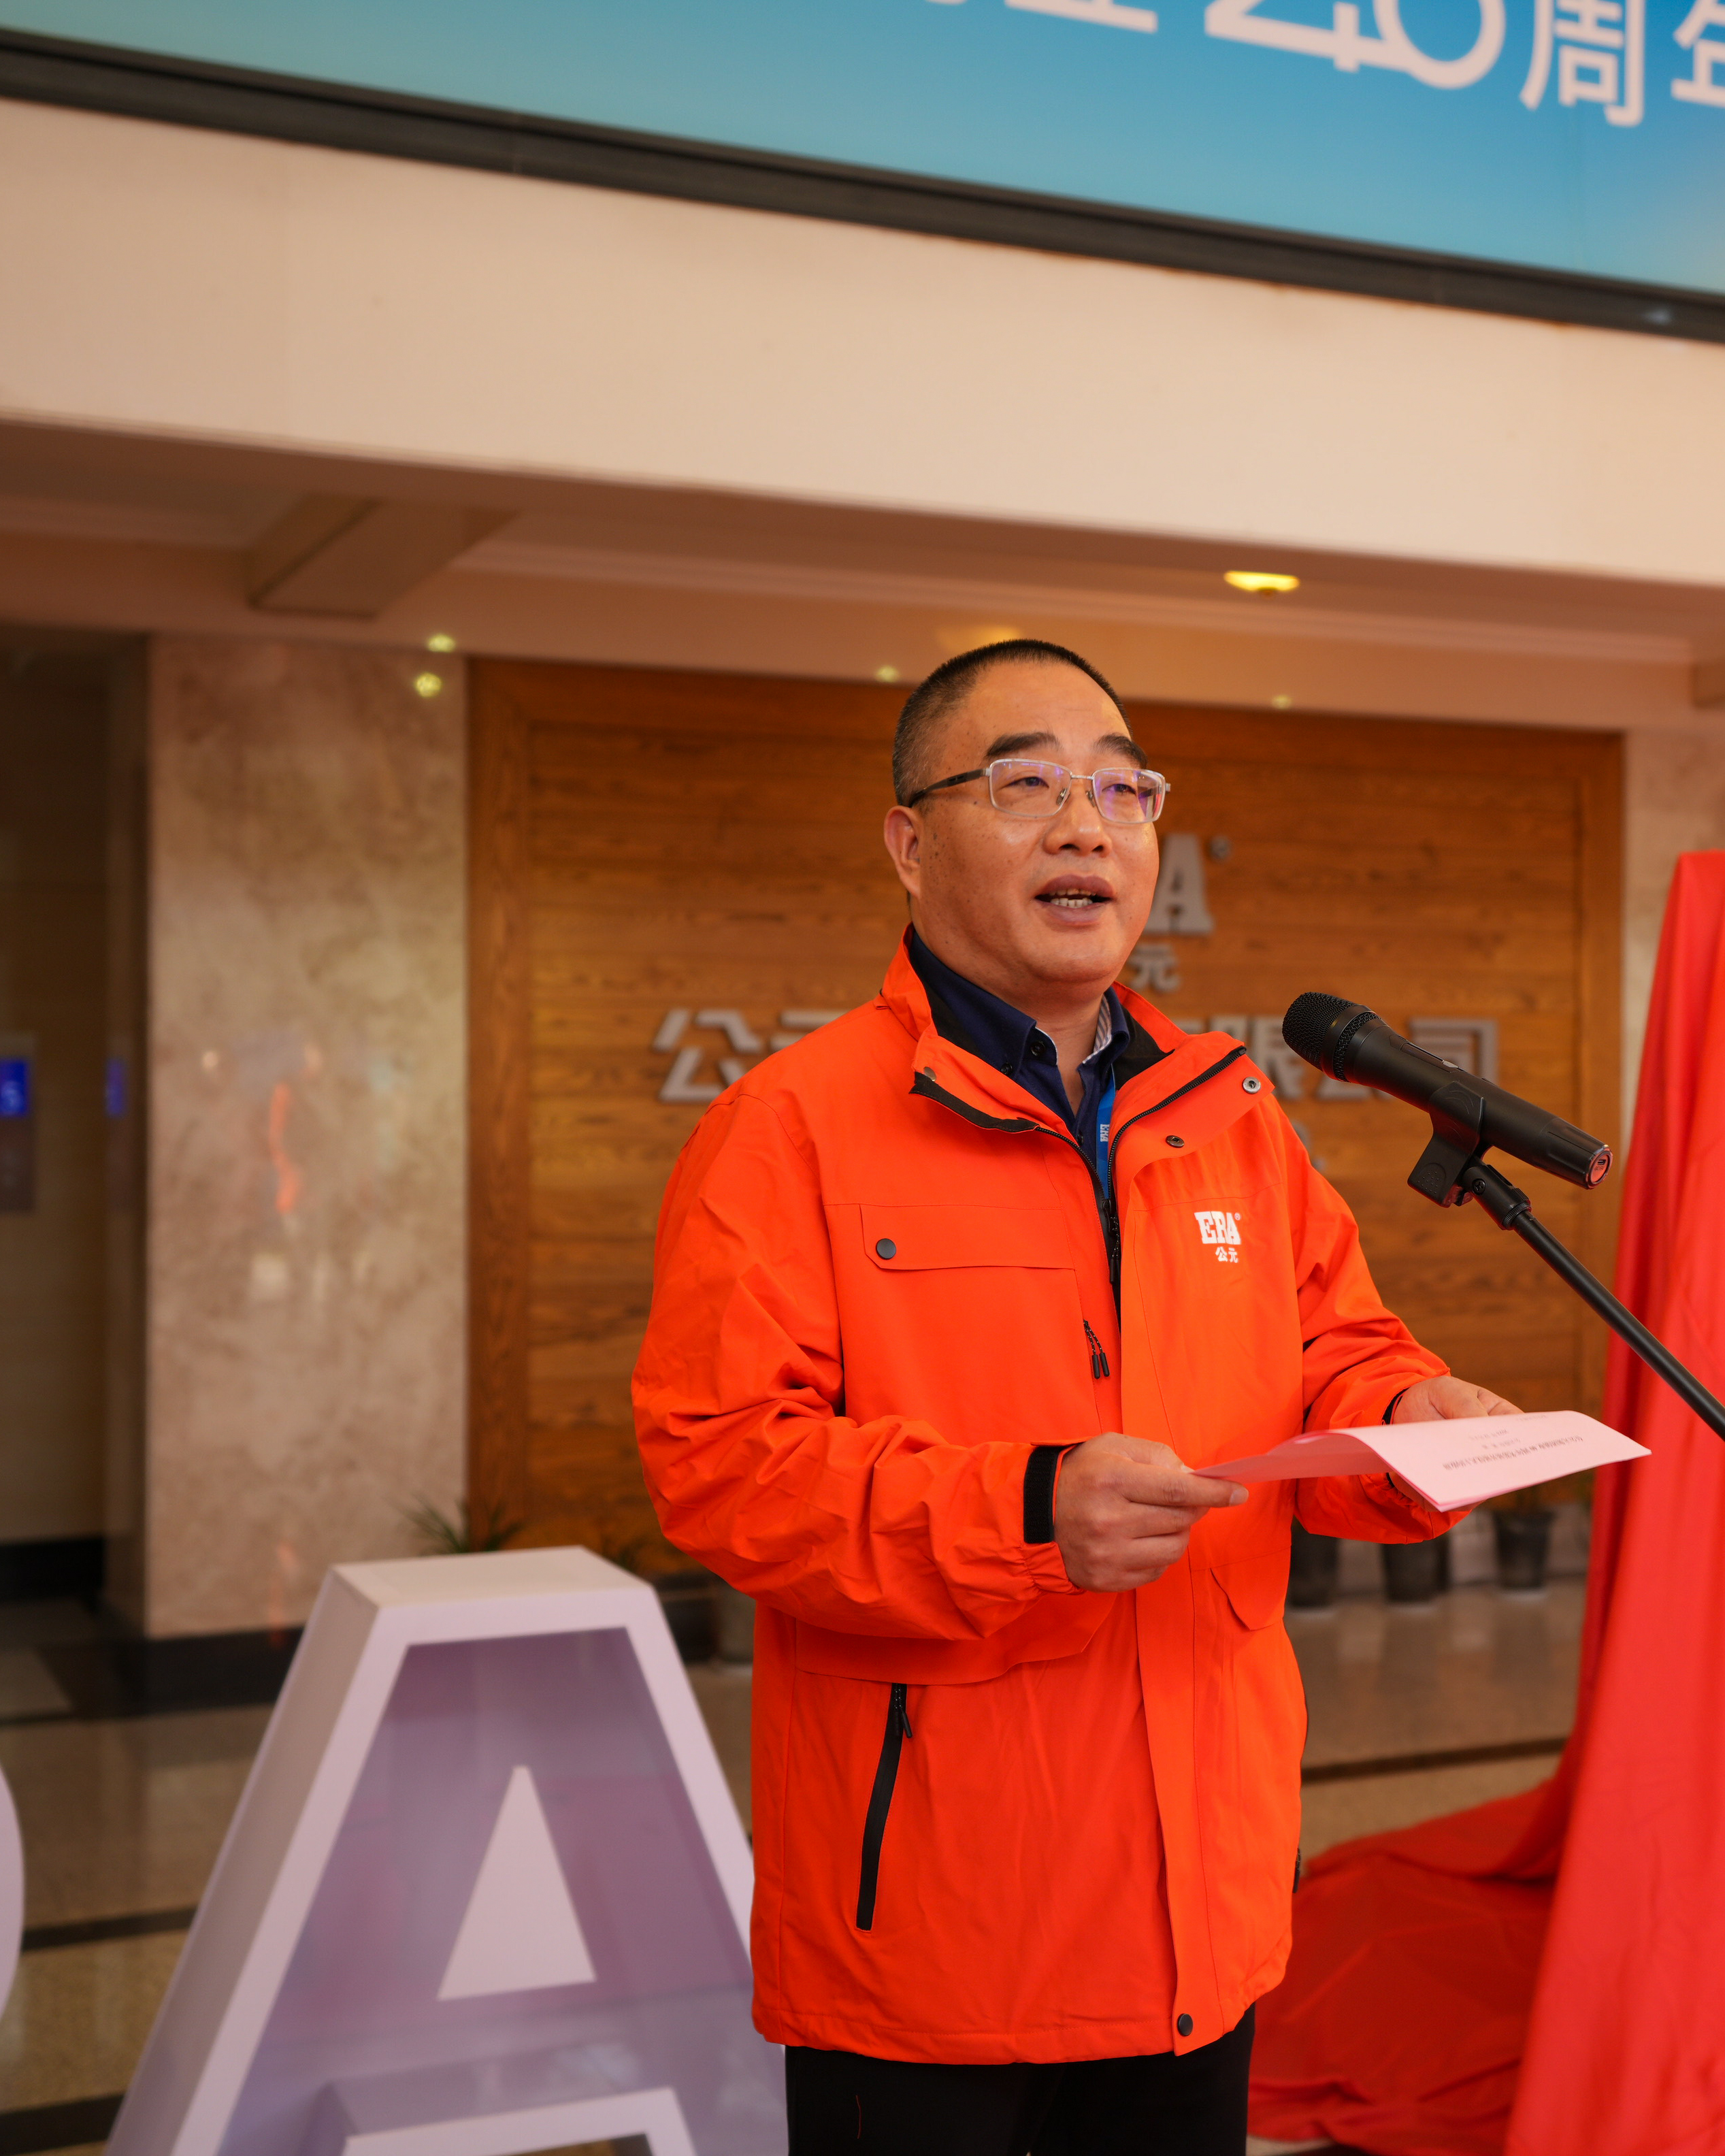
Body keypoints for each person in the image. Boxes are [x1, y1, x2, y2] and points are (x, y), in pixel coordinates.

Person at [629, 638, 1519, 2155]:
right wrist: (1028, 1509)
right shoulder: (792, 1130)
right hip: (937, 1933)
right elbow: (723, 1468)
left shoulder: (1233, 1119)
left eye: (1121, 786)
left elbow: (1332, 1349)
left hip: (1202, 1910)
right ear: (910, 845)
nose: (1085, 824)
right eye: (1025, 783)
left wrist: (1412, 1413)